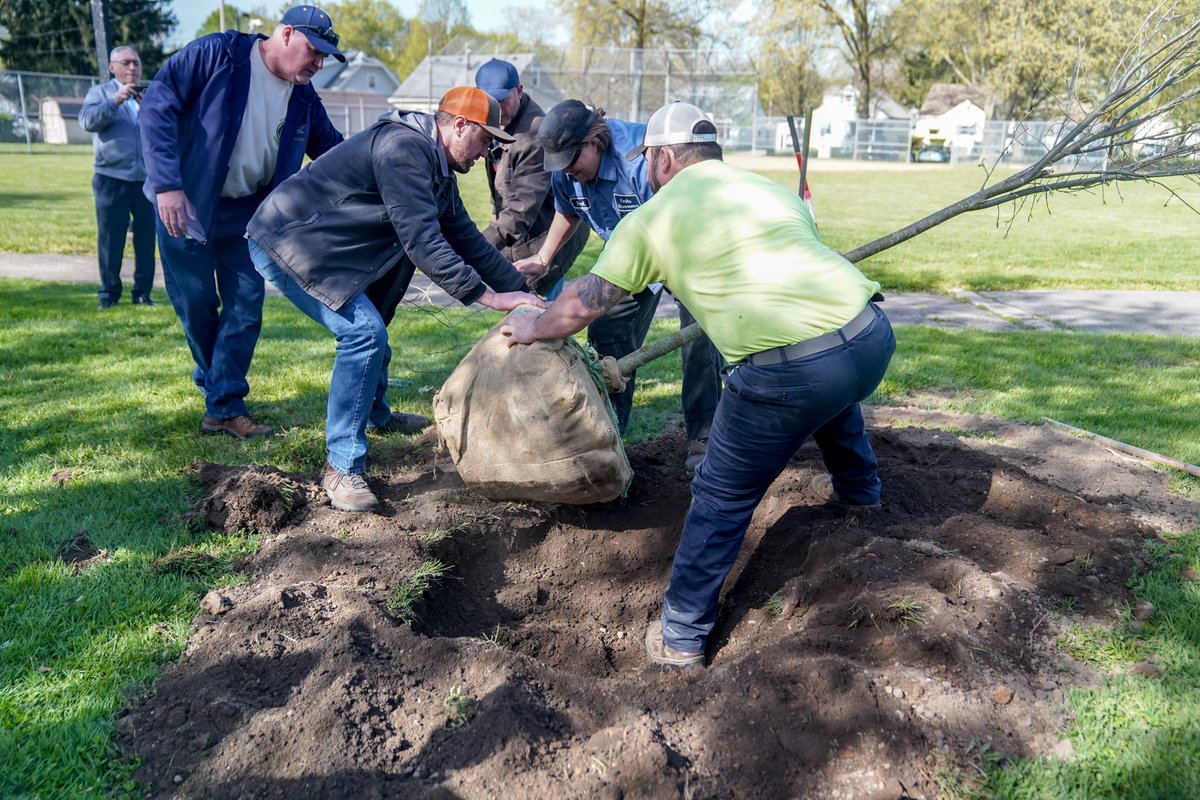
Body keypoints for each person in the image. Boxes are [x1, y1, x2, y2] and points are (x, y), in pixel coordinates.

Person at [501, 102, 895, 668]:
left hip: (785, 369)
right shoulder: (770, 190)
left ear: (663, 159)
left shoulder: (653, 218)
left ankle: (681, 635)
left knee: (720, 494)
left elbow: (581, 308)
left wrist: (532, 326)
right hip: (868, 336)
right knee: (829, 387)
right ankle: (863, 495)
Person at [246, 87, 544, 514]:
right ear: (460, 125)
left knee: (374, 325)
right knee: (364, 333)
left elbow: (467, 241)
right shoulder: (404, 149)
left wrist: (522, 292)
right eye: (486, 139)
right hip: (288, 241)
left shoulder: (436, 166)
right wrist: (487, 297)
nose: (487, 152)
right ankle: (341, 468)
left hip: (330, 249)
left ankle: (375, 414)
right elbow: (423, 241)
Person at [139, 5, 345, 440]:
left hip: (248, 214)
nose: (319, 64)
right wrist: (166, 186)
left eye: (325, 57)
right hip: (185, 205)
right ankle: (219, 390)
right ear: (286, 34)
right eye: (314, 51)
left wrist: (383, 159)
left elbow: (333, 151)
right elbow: (157, 104)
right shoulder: (218, 54)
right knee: (196, 306)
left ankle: (225, 405)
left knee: (246, 306)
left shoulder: (303, 96)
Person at [515, 100, 722, 474]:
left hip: (686, 249)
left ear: (593, 143)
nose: (568, 173)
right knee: (606, 338)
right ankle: (606, 436)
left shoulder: (641, 163)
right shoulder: (567, 170)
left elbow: (687, 208)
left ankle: (704, 439)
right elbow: (569, 209)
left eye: (572, 163)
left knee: (699, 337)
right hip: (630, 260)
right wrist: (544, 257)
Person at [473, 58, 590, 301]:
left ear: (519, 91)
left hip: (549, 237)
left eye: (502, 100)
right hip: (523, 234)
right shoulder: (499, 124)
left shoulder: (533, 136)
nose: (496, 108)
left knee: (535, 311)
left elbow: (519, 211)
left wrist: (475, 250)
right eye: (489, 101)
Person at [78, 46, 156, 309]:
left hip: (146, 181)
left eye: (136, 63)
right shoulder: (99, 93)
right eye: (126, 62)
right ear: (112, 67)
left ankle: (143, 294)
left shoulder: (147, 96)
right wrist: (115, 101)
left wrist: (151, 110)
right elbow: (87, 121)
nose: (132, 68)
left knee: (146, 240)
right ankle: (109, 294)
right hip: (111, 178)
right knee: (112, 239)